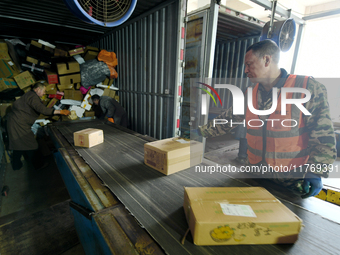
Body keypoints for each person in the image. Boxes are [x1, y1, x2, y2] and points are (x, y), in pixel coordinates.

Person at [192, 40, 337, 198]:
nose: (246, 70)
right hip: (254, 175)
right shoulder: (249, 93)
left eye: (249, 64)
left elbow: (323, 134)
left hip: (291, 180)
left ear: (267, 60)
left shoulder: (307, 88)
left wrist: (316, 171)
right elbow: (228, 120)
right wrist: (198, 132)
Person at [7, 82, 70, 170]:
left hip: (14, 122)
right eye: (43, 91)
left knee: (18, 144)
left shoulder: (29, 95)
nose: (44, 93)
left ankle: (16, 166)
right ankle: (38, 165)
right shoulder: (33, 97)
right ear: (37, 89)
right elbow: (41, 109)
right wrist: (60, 112)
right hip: (19, 124)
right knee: (32, 145)